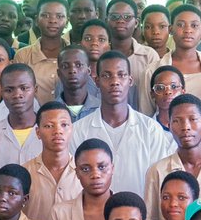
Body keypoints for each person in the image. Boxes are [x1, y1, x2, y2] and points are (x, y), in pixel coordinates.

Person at [74, 52, 177, 197]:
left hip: (140, 217)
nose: (115, 81)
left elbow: (159, 182)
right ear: (96, 81)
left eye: (121, 75)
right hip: (91, 218)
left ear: (130, 80)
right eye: (107, 75)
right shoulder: (78, 130)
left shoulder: (150, 130)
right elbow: (73, 182)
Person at [144, 6, 201, 118]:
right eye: (180, 25)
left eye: (194, 25)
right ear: (171, 29)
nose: (188, 30)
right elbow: (146, 116)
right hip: (162, 135)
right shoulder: (152, 70)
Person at [0, 63, 43, 170]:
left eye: (24, 88)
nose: (17, 95)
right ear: (2, 92)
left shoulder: (51, 133)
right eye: (9, 90)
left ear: (35, 90)